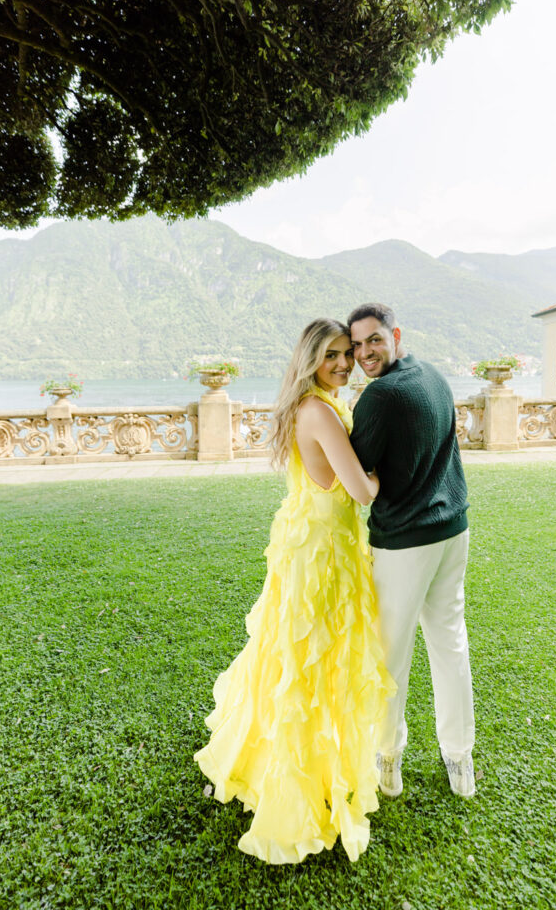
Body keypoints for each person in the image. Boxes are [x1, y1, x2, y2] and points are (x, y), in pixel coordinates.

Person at [194, 318, 396, 864]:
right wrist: (388, 472)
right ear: (310, 358)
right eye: (330, 354)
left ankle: (313, 760)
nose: (342, 363)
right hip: (321, 553)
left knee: (300, 656)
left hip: (311, 541)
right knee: (312, 660)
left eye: (345, 353)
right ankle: (299, 778)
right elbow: (361, 489)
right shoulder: (319, 410)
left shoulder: (314, 403)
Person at [347, 302, 476, 799]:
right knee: (450, 643)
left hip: (406, 543)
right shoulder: (436, 376)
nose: (363, 353)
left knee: (390, 655)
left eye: (373, 340)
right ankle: (459, 759)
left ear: (394, 334)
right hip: (454, 530)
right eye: (356, 345)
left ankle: (387, 759)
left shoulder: (380, 397)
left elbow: (357, 473)